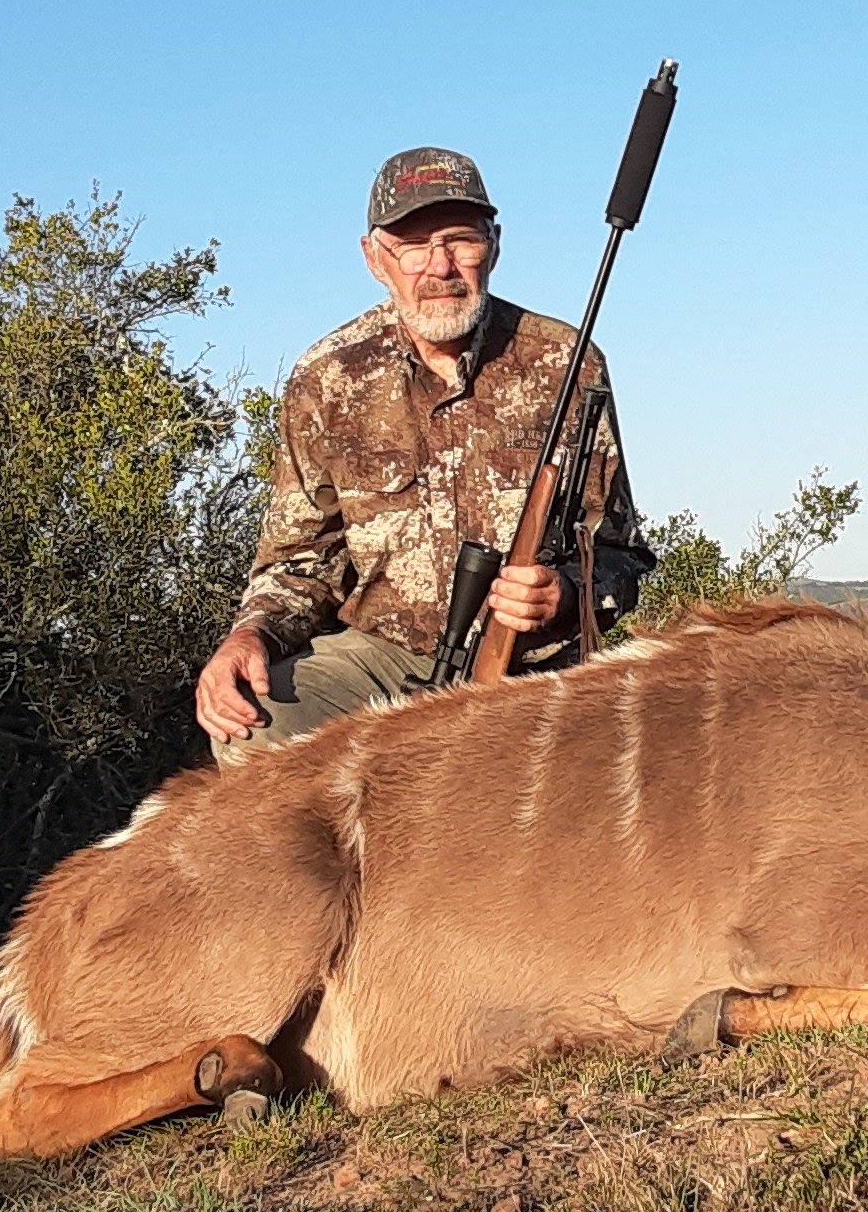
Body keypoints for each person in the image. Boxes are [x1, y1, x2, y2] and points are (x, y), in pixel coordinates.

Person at [195, 147, 653, 760]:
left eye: (461, 240)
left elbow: (621, 556)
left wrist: (563, 595)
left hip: (541, 671)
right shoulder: (325, 378)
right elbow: (299, 562)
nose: (439, 267)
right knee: (251, 718)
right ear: (373, 258)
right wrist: (248, 635)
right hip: (384, 663)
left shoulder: (569, 364)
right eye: (412, 245)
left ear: (494, 243)